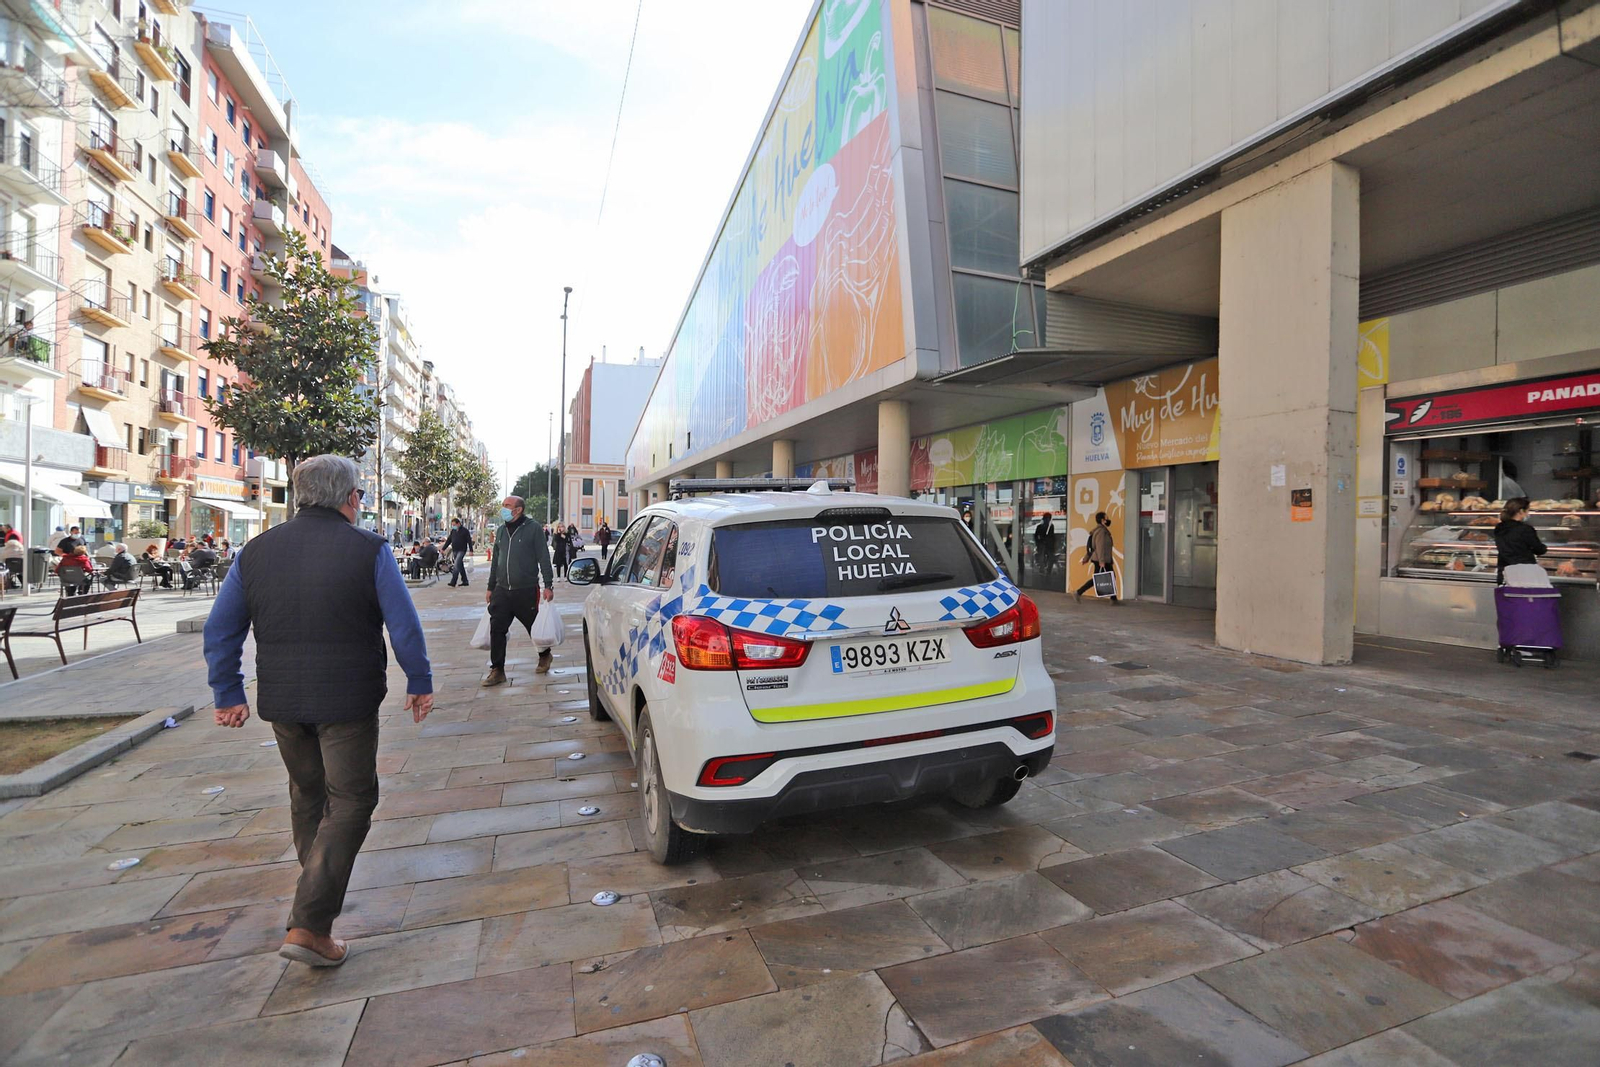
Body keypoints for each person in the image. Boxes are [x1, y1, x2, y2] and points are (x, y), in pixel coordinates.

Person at [205, 454, 433, 968]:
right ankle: (310, 923)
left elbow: (220, 629)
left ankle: (315, 898)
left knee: (308, 794)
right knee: (351, 799)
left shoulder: (255, 551)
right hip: (347, 701)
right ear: (351, 498)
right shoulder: (370, 549)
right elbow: (403, 625)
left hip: (283, 701)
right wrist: (418, 679)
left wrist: (227, 691)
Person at [483, 494, 554, 687]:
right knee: (497, 628)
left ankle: (545, 654)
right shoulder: (500, 531)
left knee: (533, 627)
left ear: (518, 509)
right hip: (501, 589)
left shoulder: (533, 529)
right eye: (503, 505)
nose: (503, 508)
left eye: (507, 505)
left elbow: (544, 558)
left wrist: (548, 585)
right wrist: (490, 587)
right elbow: (495, 561)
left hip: (525, 590)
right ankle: (497, 670)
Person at [1494, 497, 1548, 586]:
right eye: (1527, 510)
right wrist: (1544, 547)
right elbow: (1539, 549)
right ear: (1521, 511)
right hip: (1523, 573)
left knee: (1508, 598)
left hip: (1505, 571)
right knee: (1524, 598)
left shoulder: (1499, 527)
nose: (1528, 513)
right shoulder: (1525, 529)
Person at [1074, 511, 1118, 604]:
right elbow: (1099, 547)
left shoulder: (1099, 531)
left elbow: (1093, 547)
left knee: (1109, 577)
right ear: (1102, 520)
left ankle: (1113, 599)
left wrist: (1086, 558)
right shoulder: (1101, 532)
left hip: (1102, 559)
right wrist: (1102, 561)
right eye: (1107, 518)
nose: (1108, 520)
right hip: (1101, 560)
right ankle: (1078, 592)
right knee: (1101, 578)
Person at [445, 518, 473, 587]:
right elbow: (449, 540)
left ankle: (453, 581)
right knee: (460, 566)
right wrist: (443, 548)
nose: (453, 526)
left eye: (454, 524)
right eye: (452, 525)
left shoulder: (465, 531)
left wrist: (471, 550)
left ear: (458, 524)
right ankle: (465, 581)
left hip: (462, 550)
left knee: (456, 565)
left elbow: (469, 541)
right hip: (455, 550)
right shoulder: (453, 531)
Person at [1033, 511, 1058, 579]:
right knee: (1042, 558)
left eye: (1049, 519)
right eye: (1047, 519)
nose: (1048, 520)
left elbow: (1052, 537)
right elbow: (1036, 536)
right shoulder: (1039, 527)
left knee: (1051, 558)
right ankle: (1042, 570)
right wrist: (1039, 542)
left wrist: (1053, 545)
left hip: (1049, 546)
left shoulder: (1051, 526)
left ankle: (1048, 571)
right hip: (1042, 545)